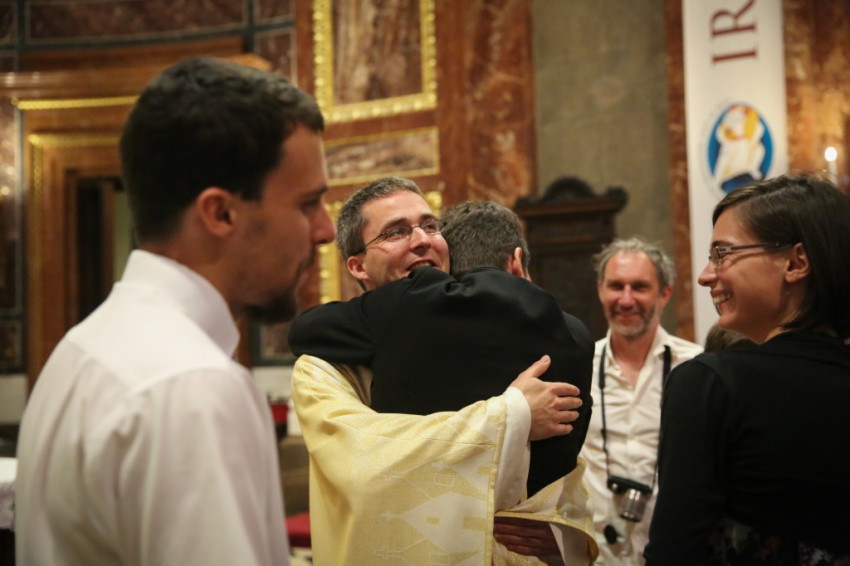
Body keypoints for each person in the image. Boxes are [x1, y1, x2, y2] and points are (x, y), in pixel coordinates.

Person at [14, 57, 336, 566]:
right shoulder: (191, 387)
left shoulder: (82, 346)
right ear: (221, 213)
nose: (326, 231)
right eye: (307, 204)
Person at [288, 177, 586, 565]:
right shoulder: (319, 369)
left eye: (430, 226)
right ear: (358, 266)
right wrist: (514, 414)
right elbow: (365, 467)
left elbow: (567, 478)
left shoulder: (489, 329)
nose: (422, 240)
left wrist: (559, 536)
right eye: (396, 232)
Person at [646, 175, 850, 564]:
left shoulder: (711, 384)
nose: (705, 275)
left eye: (722, 253)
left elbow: (674, 554)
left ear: (795, 262)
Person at [578, 237, 703, 565]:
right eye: (616, 286)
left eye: (639, 287)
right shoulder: (578, 367)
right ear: (600, 290)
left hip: (674, 553)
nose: (626, 299)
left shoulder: (697, 367)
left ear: (665, 294)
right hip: (595, 556)